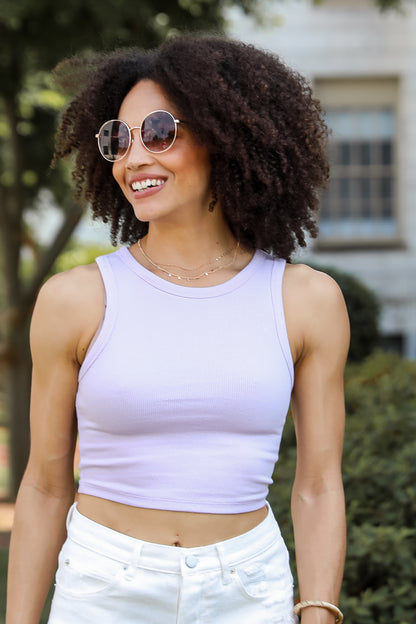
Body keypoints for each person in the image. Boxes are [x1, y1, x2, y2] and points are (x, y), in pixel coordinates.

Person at [6, 35, 349, 624]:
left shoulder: (306, 300)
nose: (134, 157)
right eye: (118, 138)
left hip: (248, 590)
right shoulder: (74, 301)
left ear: (224, 138)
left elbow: (318, 485)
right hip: (103, 589)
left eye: (160, 131)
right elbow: (42, 486)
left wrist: (318, 611)